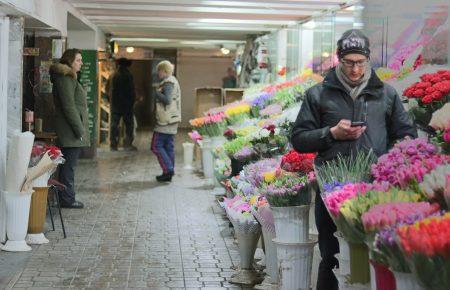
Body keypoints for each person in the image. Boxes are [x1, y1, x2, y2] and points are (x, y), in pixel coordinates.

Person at [291, 29, 417, 290]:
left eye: (360, 62)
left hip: (375, 191)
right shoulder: (318, 94)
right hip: (331, 192)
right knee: (331, 255)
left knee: (373, 258)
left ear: (368, 60)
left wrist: (386, 164)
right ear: (339, 60)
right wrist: (331, 133)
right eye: (349, 62)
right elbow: (299, 139)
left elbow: (406, 136)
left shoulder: (387, 95)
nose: (355, 69)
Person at [50, 48, 90, 209]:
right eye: (78, 60)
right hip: (69, 131)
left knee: (68, 165)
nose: (81, 63)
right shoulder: (65, 78)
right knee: (68, 167)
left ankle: (66, 197)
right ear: (70, 61)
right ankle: (67, 199)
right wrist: (79, 129)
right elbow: (69, 107)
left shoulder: (69, 78)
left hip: (70, 130)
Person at [151, 60, 181, 182]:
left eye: (159, 71)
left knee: (156, 146)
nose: (158, 73)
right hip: (172, 120)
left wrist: (156, 93)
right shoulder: (173, 81)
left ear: (164, 71)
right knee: (168, 146)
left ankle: (168, 169)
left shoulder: (168, 83)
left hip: (165, 121)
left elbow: (167, 100)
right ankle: (168, 172)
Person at [110, 58, 137, 151]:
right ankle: (128, 144)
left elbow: (109, 89)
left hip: (116, 104)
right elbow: (131, 90)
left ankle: (113, 144)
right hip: (127, 105)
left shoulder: (114, 75)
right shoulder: (128, 75)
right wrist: (133, 101)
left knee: (114, 124)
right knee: (129, 125)